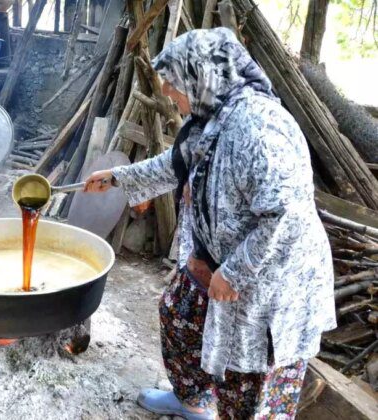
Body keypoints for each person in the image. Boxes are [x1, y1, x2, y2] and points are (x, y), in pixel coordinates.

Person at [84, 28, 335, 419]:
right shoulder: (213, 118)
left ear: (203, 77)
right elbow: (176, 163)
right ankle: (193, 403)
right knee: (179, 316)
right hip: (216, 259)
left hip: (269, 281)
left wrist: (235, 272)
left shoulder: (257, 128)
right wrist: (118, 177)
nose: (166, 90)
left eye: (173, 81)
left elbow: (287, 215)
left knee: (249, 385)